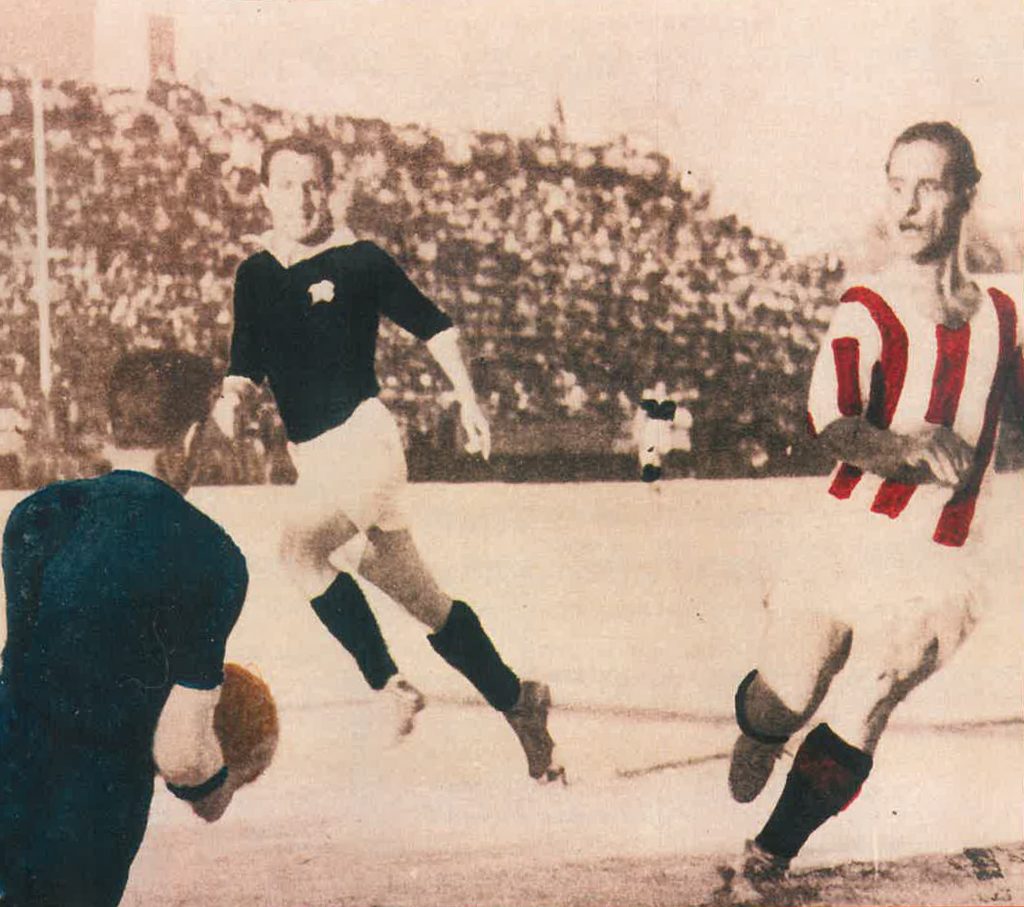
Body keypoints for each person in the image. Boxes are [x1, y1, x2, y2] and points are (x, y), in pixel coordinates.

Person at [721, 122, 1022, 897]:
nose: (908, 205)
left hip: (944, 551)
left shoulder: (1006, 314)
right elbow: (834, 422)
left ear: (966, 194)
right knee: (788, 692)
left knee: (876, 688)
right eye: (896, 186)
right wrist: (906, 447)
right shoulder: (868, 305)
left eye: (928, 186)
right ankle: (761, 727)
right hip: (849, 532)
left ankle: (771, 851)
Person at [212, 136, 564, 783]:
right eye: (286, 185)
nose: (301, 198)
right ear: (264, 194)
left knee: (297, 552)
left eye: (313, 184)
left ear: (330, 190)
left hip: (364, 441)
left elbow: (436, 325)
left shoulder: (359, 260)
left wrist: (468, 399)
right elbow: (245, 361)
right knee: (424, 600)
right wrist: (231, 397)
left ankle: (390, 685)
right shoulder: (254, 275)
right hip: (316, 460)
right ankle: (519, 701)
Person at [0, 350, 277, 906]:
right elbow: (181, 753)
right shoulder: (210, 552)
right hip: (84, 828)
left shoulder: (36, 513)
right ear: (193, 436)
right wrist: (221, 786)